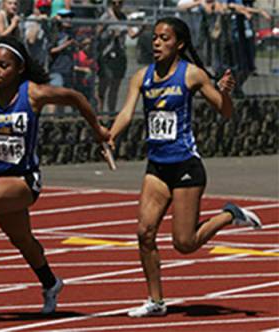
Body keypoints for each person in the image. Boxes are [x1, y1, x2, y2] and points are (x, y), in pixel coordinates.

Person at [104, 17, 263, 317]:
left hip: (186, 166)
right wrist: (111, 135)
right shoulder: (143, 76)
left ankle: (230, 214)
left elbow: (225, 111)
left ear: (179, 44)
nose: (157, 43)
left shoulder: (192, 75)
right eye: (155, 38)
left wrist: (226, 91)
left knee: (185, 243)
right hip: (157, 167)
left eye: (164, 38)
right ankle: (156, 301)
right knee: (144, 232)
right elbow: (126, 112)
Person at [0, 37, 109, 314]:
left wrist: (97, 130)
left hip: (25, 179)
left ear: (19, 68)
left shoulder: (33, 94)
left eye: (4, 66)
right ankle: (51, 283)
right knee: (23, 240)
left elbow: (76, 98)